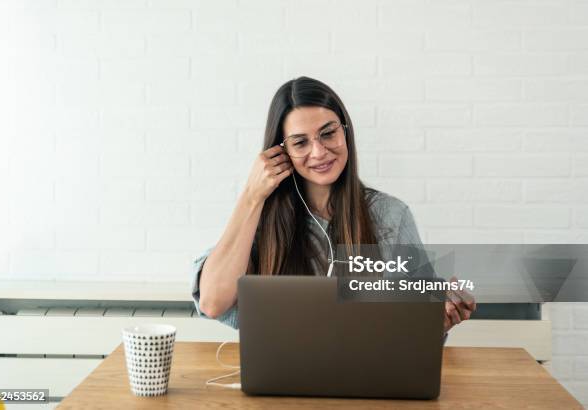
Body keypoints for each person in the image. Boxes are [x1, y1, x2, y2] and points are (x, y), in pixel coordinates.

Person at [190, 76, 475, 331]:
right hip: (281, 383)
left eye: (328, 133)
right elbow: (213, 303)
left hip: (369, 380)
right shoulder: (259, 218)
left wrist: (439, 317)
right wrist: (251, 196)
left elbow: (417, 324)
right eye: (300, 142)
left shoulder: (391, 216)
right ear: (281, 152)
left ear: (345, 132)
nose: (319, 152)